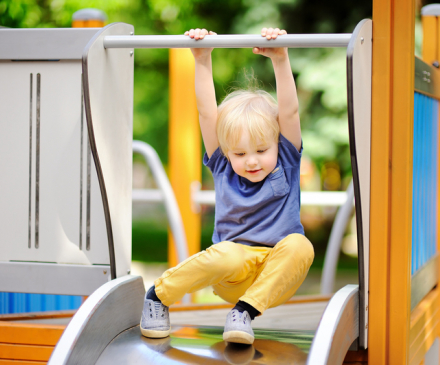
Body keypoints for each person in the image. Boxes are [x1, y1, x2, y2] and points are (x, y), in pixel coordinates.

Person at [140, 27, 314, 345]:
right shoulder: (222, 166)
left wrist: (281, 59)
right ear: (227, 151)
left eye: (261, 151)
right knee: (228, 256)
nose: (251, 161)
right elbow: (208, 112)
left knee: (301, 245)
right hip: (233, 272)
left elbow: (289, 111)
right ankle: (158, 296)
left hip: (276, 271)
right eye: (240, 153)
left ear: (277, 144)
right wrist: (202, 59)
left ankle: (244, 313)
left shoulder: (287, 160)